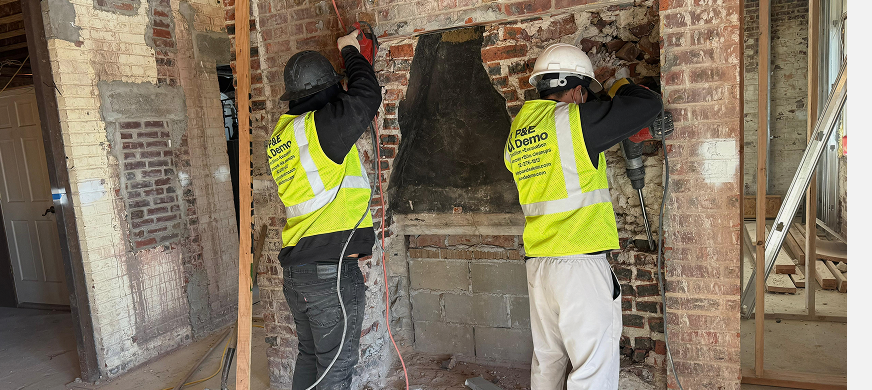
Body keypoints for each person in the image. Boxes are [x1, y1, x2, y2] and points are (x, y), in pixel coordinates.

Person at [503, 43, 662, 389]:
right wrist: (619, 86)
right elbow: (649, 105)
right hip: (578, 267)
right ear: (577, 92)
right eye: (586, 96)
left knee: (548, 361)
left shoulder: (519, 129)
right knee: (593, 370)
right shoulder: (574, 122)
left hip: (539, 266)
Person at [266, 29, 381, 390]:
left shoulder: (283, 135)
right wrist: (350, 51)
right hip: (329, 277)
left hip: (299, 272)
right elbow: (366, 97)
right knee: (336, 369)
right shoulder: (320, 130)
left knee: (312, 357)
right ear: (327, 91)